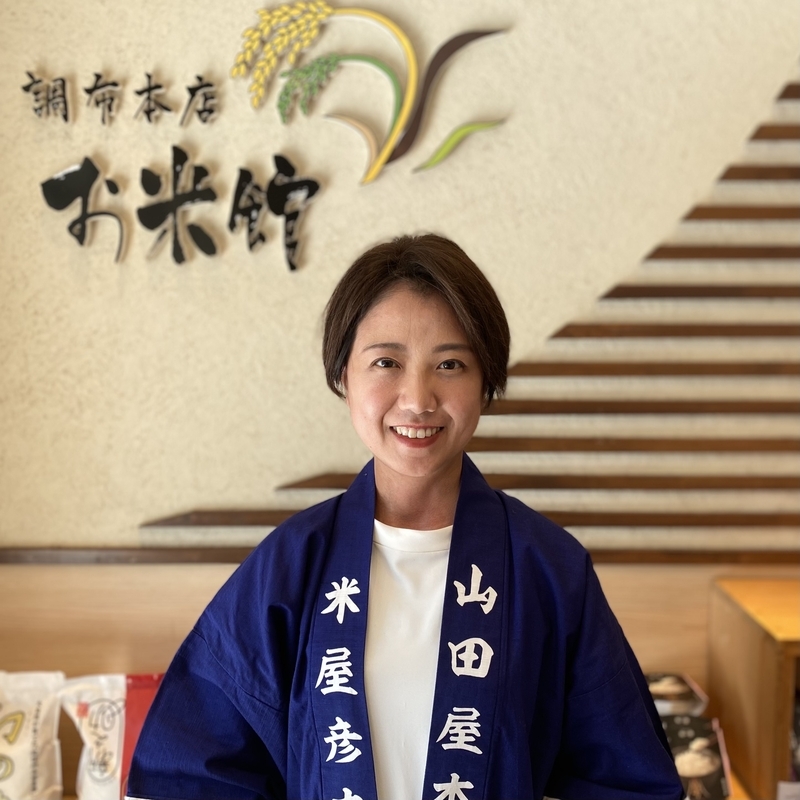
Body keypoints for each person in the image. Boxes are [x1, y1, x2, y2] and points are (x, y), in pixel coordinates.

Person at [127, 234, 683, 800]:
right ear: (344, 377)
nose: (418, 399)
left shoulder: (551, 570)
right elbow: (192, 772)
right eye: (386, 362)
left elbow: (626, 780)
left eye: (450, 364)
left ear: (485, 383)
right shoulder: (290, 566)